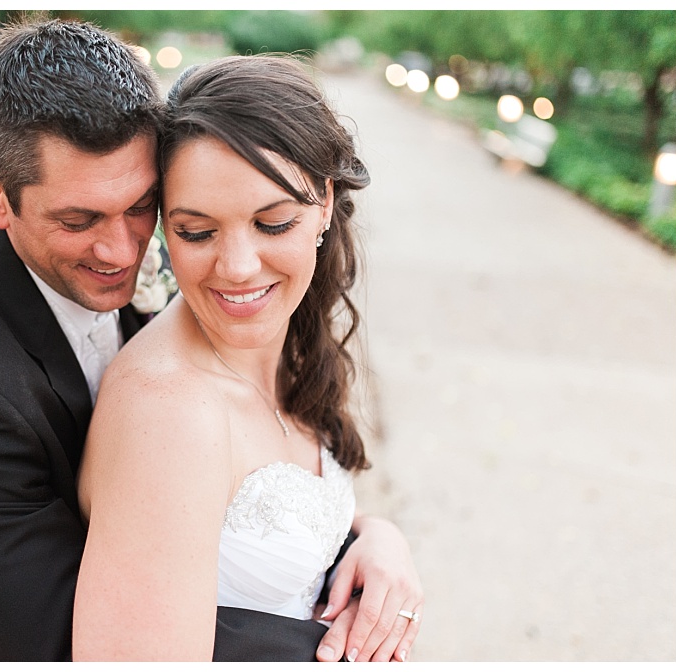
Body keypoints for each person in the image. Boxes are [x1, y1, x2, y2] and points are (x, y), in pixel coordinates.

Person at [0, 18, 420, 661]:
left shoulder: (220, 298)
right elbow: (86, 635)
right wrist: (349, 649)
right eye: (78, 219)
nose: (123, 252)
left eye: (142, 207)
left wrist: (368, 539)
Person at [73, 54, 423, 662]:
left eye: (273, 223)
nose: (236, 268)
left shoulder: (283, 339)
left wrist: (375, 536)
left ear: (323, 206)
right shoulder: (170, 415)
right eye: (196, 233)